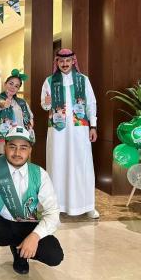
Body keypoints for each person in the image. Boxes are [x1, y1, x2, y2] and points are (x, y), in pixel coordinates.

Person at [0, 127, 63, 280]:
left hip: (25, 227)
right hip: (0, 227)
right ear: (5, 147)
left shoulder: (40, 174)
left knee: (54, 255)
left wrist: (35, 236)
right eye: (12, 146)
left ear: (30, 150)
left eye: (23, 147)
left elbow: (53, 213)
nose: (17, 152)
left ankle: (20, 253)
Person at [40, 49, 99, 218]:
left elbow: (91, 104)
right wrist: (46, 103)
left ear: (73, 61)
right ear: (57, 62)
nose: (64, 65)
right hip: (57, 133)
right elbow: (44, 105)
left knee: (82, 165)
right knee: (57, 165)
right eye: (61, 62)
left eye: (68, 61)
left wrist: (93, 126)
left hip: (80, 130)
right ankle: (56, 207)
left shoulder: (83, 80)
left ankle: (87, 205)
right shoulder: (49, 81)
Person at [0, 69, 34, 157]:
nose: (13, 87)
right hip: (3, 142)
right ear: (5, 84)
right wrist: (4, 103)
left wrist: (29, 129)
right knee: (3, 167)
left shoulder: (22, 102)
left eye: (16, 86)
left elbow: (30, 117)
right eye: (11, 83)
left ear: (18, 89)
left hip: (20, 141)